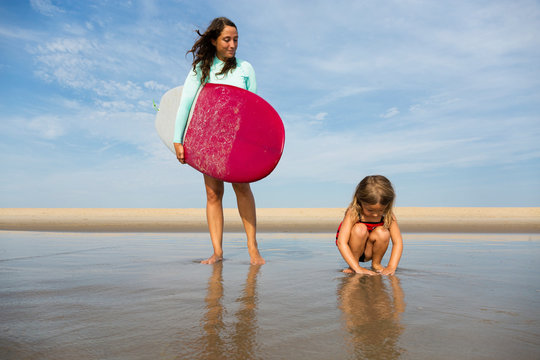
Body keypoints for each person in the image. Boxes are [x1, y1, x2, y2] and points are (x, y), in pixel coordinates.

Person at [173, 17, 264, 265]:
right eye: (227, 39)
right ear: (213, 41)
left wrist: (254, 144)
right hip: (208, 137)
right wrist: (177, 139)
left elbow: (254, 108)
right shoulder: (200, 69)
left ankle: (252, 247)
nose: (232, 44)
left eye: (235, 39)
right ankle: (217, 251)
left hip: (238, 138)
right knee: (213, 194)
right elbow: (186, 104)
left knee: (242, 188)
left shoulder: (246, 68)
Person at [335, 175, 403, 275]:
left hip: (370, 250)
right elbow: (342, 242)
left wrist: (391, 267)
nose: (376, 214)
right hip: (353, 250)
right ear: (360, 201)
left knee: (383, 232)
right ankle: (353, 266)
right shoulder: (353, 213)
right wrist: (357, 268)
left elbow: (398, 243)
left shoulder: (388, 215)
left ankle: (376, 264)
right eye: (370, 210)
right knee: (360, 229)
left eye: (381, 210)